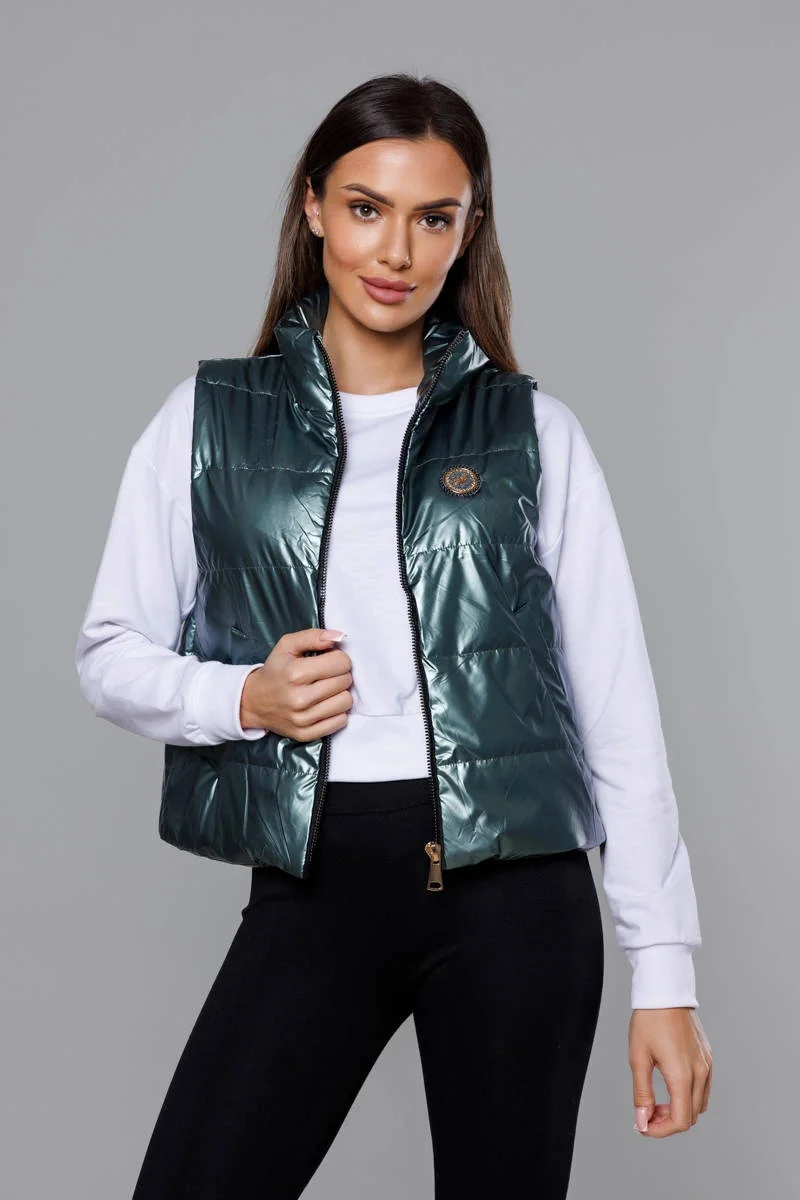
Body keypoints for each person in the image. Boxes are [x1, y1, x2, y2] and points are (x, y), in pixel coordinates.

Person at [75, 72, 712, 1199]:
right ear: (314, 206)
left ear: (468, 232)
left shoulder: (532, 431)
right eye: (366, 208)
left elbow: (616, 709)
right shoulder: (207, 421)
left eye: (433, 218)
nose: (396, 251)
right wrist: (242, 698)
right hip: (318, 876)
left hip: (518, 893)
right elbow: (109, 650)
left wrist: (663, 971)